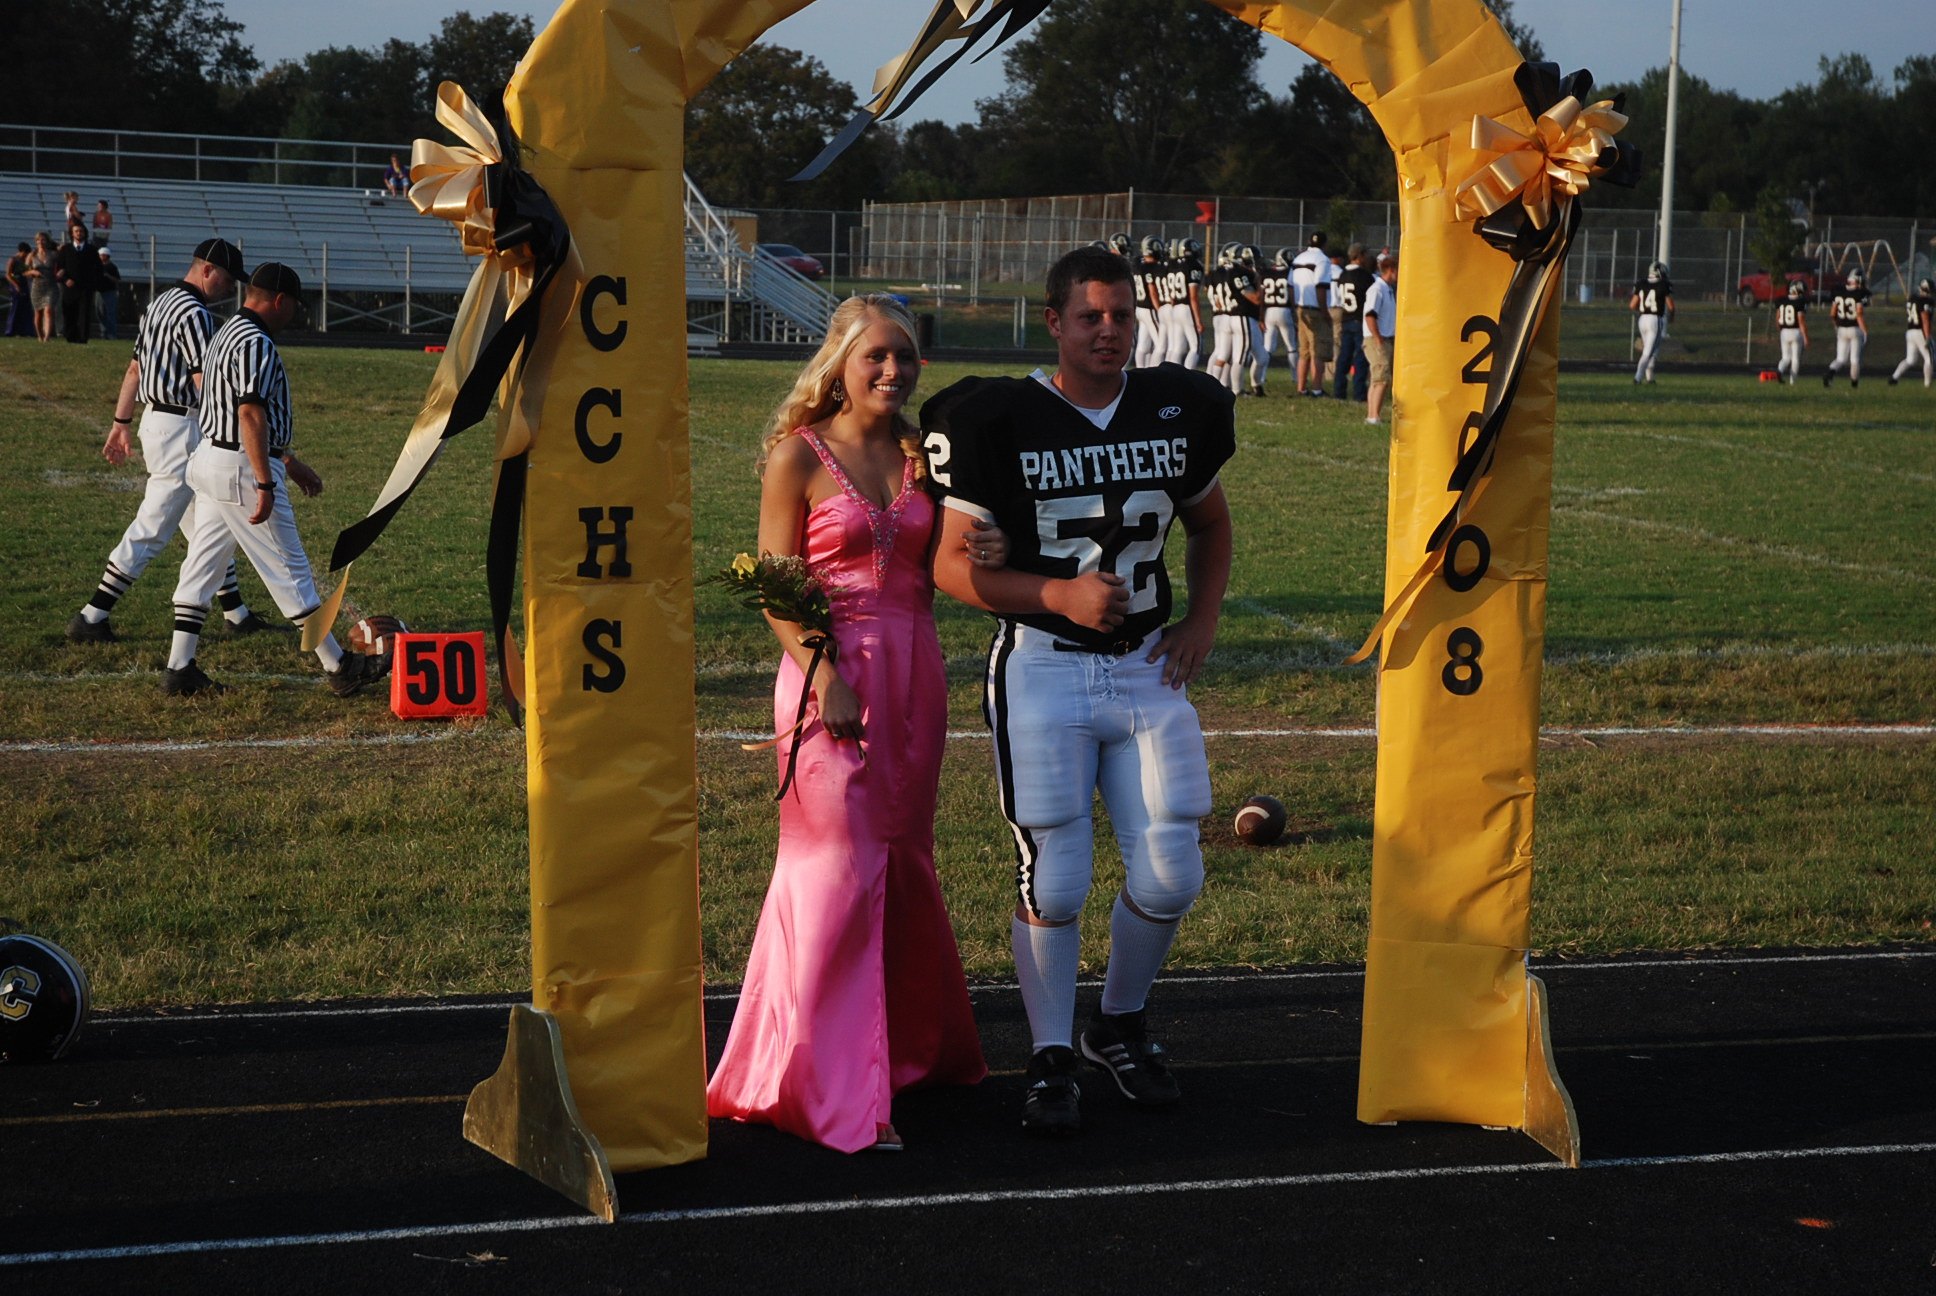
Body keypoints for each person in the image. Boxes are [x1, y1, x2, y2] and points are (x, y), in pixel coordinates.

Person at [923, 246, 1234, 1138]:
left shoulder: (1176, 408)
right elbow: (950, 566)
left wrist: (1202, 621)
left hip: (1147, 665)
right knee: (1056, 880)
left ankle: (1118, 1023)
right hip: (1044, 662)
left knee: (1172, 869)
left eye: (1122, 315)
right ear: (1053, 321)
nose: (1109, 330)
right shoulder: (995, 417)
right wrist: (1054, 594)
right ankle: (1051, 1052)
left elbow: (1210, 524)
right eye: (1090, 316)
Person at [707, 294, 995, 1153]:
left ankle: (903, 1057)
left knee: (903, 857)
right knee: (834, 866)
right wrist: (823, 675)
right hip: (827, 675)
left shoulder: (922, 456)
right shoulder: (797, 455)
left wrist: (990, 549)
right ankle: (827, 1085)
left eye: (905, 355)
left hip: (916, 675)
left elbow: (947, 559)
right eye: (876, 355)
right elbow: (774, 584)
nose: (893, 370)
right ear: (839, 363)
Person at [162, 263, 384, 698]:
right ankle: (339, 666)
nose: (293, 314)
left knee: (202, 567)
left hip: (211, 457)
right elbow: (249, 413)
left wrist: (288, 460)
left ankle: (179, 666)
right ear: (280, 300)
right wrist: (265, 481)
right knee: (289, 569)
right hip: (241, 466)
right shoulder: (255, 340)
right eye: (293, 306)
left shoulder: (226, 330)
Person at [67, 238, 266, 646]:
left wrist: (121, 421)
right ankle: (92, 614)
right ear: (207, 270)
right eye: (227, 279)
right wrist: (230, 427)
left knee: (207, 522)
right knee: (154, 525)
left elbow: (135, 368)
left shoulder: (158, 304)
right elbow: (204, 380)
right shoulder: (194, 312)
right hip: (182, 426)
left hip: (159, 421)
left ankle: (236, 613)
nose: (231, 288)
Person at [1291, 231, 1334, 396]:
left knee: (1304, 351)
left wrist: (1294, 307)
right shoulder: (1322, 260)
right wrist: (1325, 312)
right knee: (1318, 351)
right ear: (1325, 244)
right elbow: (1320, 287)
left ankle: (1301, 388)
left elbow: (1290, 286)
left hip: (1300, 307)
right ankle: (1317, 389)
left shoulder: (1298, 258)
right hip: (1315, 308)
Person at [1332, 243, 1375, 401]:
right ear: (1359, 256)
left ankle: (1339, 391)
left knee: (1344, 356)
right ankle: (1359, 392)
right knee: (1360, 358)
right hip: (1359, 320)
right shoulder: (1364, 276)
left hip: (1346, 318)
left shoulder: (1342, 275)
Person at [1257, 246, 1297, 396]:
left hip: (1269, 311)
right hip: (1284, 310)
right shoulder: (1290, 273)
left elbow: (1261, 297)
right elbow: (1292, 295)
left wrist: (1261, 317)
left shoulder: (1266, 273)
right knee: (1291, 347)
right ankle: (1296, 377)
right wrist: (1295, 314)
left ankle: (1261, 376)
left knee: (1268, 347)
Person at [1363, 253, 1398, 424]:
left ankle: (1372, 414)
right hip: (1378, 338)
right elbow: (1370, 315)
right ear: (1390, 270)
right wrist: (1377, 338)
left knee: (1377, 378)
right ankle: (1374, 416)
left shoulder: (1388, 289)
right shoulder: (1377, 289)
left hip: (1386, 337)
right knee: (1382, 378)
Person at [1822, 267, 1869, 388]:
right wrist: (1865, 331)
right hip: (1855, 329)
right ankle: (1854, 384)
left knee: (1840, 359)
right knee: (1854, 359)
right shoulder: (1861, 293)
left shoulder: (1838, 291)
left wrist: (1836, 326)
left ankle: (1829, 374)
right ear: (1859, 280)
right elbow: (1859, 314)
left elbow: (1832, 314)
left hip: (1841, 328)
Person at [54, 221, 100, 344]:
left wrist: (94, 283)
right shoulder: (65, 250)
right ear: (72, 233)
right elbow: (59, 268)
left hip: (86, 287)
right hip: (69, 287)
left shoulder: (92, 250)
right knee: (69, 312)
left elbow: (98, 269)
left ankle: (83, 338)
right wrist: (65, 280)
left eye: (81, 231)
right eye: (76, 231)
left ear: (85, 233)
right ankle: (70, 337)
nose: (79, 233)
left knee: (84, 313)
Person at [1162, 237, 1205, 369]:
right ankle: (1188, 377)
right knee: (1195, 347)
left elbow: (1171, 294)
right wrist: (1198, 321)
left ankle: (1171, 377)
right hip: (1187, 308)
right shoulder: (1194, 265)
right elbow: (1193, 296)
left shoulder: (1173, 264)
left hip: (1175, 308)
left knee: (1177, 348)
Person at [1630, 260, 1673, 383]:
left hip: (1642, 319)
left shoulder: (1641, 283)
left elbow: (1632, 305)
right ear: (1659, 272)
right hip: (1655, 319)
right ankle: (1638, 377)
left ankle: (1650, 378)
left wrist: (1644, 309)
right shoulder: (1663, 284)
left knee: (1652, 349)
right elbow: (1671, 306)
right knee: (1648, 351)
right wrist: (1672, 315)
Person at [1887, 277, 1932, 388]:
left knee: (1910, 359)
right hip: (1920, 331)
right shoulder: (1925, 301)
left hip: (1910, 331)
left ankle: (1894, 377)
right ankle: (1927, 384)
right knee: (1930, 358)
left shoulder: (1912, 298)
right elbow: (1925, 319)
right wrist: (1927, 336)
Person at [1132, 235, 1167, 369]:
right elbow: (1152, 292)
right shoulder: (1151, 267)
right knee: (1161, 345)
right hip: (1149, 307)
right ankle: (1154, 373)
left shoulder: (1137, 263)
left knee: (1143, 345)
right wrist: (1159, 310)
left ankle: (1141, 371)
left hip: (1139, 307)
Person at [1772, 278, 1808, 385]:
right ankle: (1793, 382)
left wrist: (1781, 330)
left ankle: (1780, 371)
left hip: (1784, 331)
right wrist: (1806, 337)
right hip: (1796, 331)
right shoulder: (1800, 302)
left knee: (1785, 358)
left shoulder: (1781, 300)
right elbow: (1801, 321)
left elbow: (1778, 318)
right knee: (1795, 358)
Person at [26, 231, 59, 342]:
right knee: (38, 313)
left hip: (51, 285)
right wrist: (32, 272)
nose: (41, 242)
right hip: (37, 286)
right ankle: (39, 335)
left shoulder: (53, 254)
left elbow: (61, 264)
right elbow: (23, 270)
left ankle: (47, 337)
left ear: (47, 241)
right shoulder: (32, 255)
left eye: (43, 239)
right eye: (38, 240)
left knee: (48, 310)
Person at [4, 242, 31, 338]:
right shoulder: (13, 260)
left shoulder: (25, 260)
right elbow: (8, 275)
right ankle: (11, 330)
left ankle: (24, 330)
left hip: (24, 284)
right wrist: (15, 285)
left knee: (25, 308)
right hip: (15, 284)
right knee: (16, 307)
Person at [95, 247, 120, 339]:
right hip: (99, 291)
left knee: (110, 313)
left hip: (109, 292)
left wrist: (108, 276)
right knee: (99, 312)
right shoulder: (97, 266)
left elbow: (117, 279)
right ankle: (103, 331)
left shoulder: (112, 267)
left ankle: (111, 333)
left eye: (101, 255)